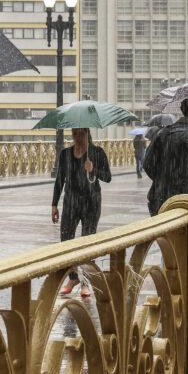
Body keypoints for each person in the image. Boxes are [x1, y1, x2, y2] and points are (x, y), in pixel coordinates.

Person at [50, 128, 112, 298]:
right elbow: (59, 180)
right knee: (66, 240)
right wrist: (54, 204)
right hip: (71, 201)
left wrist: (92, 170)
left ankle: (85, 281)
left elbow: (108, 177)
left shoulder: (97, 153)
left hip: (91, 202)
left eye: (81, 134)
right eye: (74, 134)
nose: (77, 137)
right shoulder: (65, 154)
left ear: (87, 133)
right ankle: (73, 277)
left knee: (87, 241)